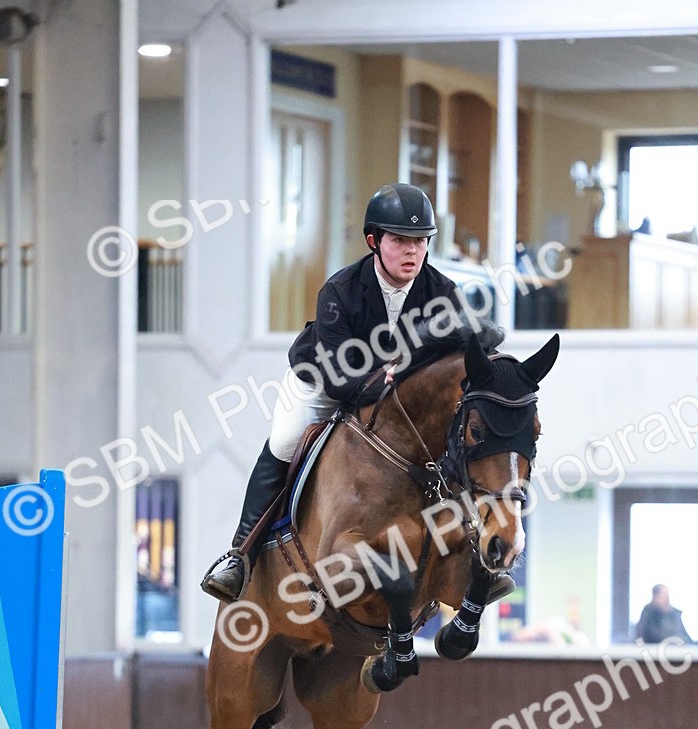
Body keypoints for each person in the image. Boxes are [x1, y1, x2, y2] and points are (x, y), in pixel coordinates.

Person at [201, 182, 490, 603]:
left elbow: (467, 347)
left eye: (421, 241)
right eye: (400, 240)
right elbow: (339, 375)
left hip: (394, 394)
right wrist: (386, 380)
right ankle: (239, 555)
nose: (412, 251)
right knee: (284, 441)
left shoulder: (443, 292)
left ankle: (478, 555)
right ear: (374, 241)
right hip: (324, 382)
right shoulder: (340, 292)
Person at [634, 584, 698, 645]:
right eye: (663, 596)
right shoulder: (649, 613)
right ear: (655, 597)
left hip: (677, 653)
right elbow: (643, 637)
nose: (667, 599)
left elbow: (685, 639)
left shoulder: (674, 614)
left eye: (667, 596)